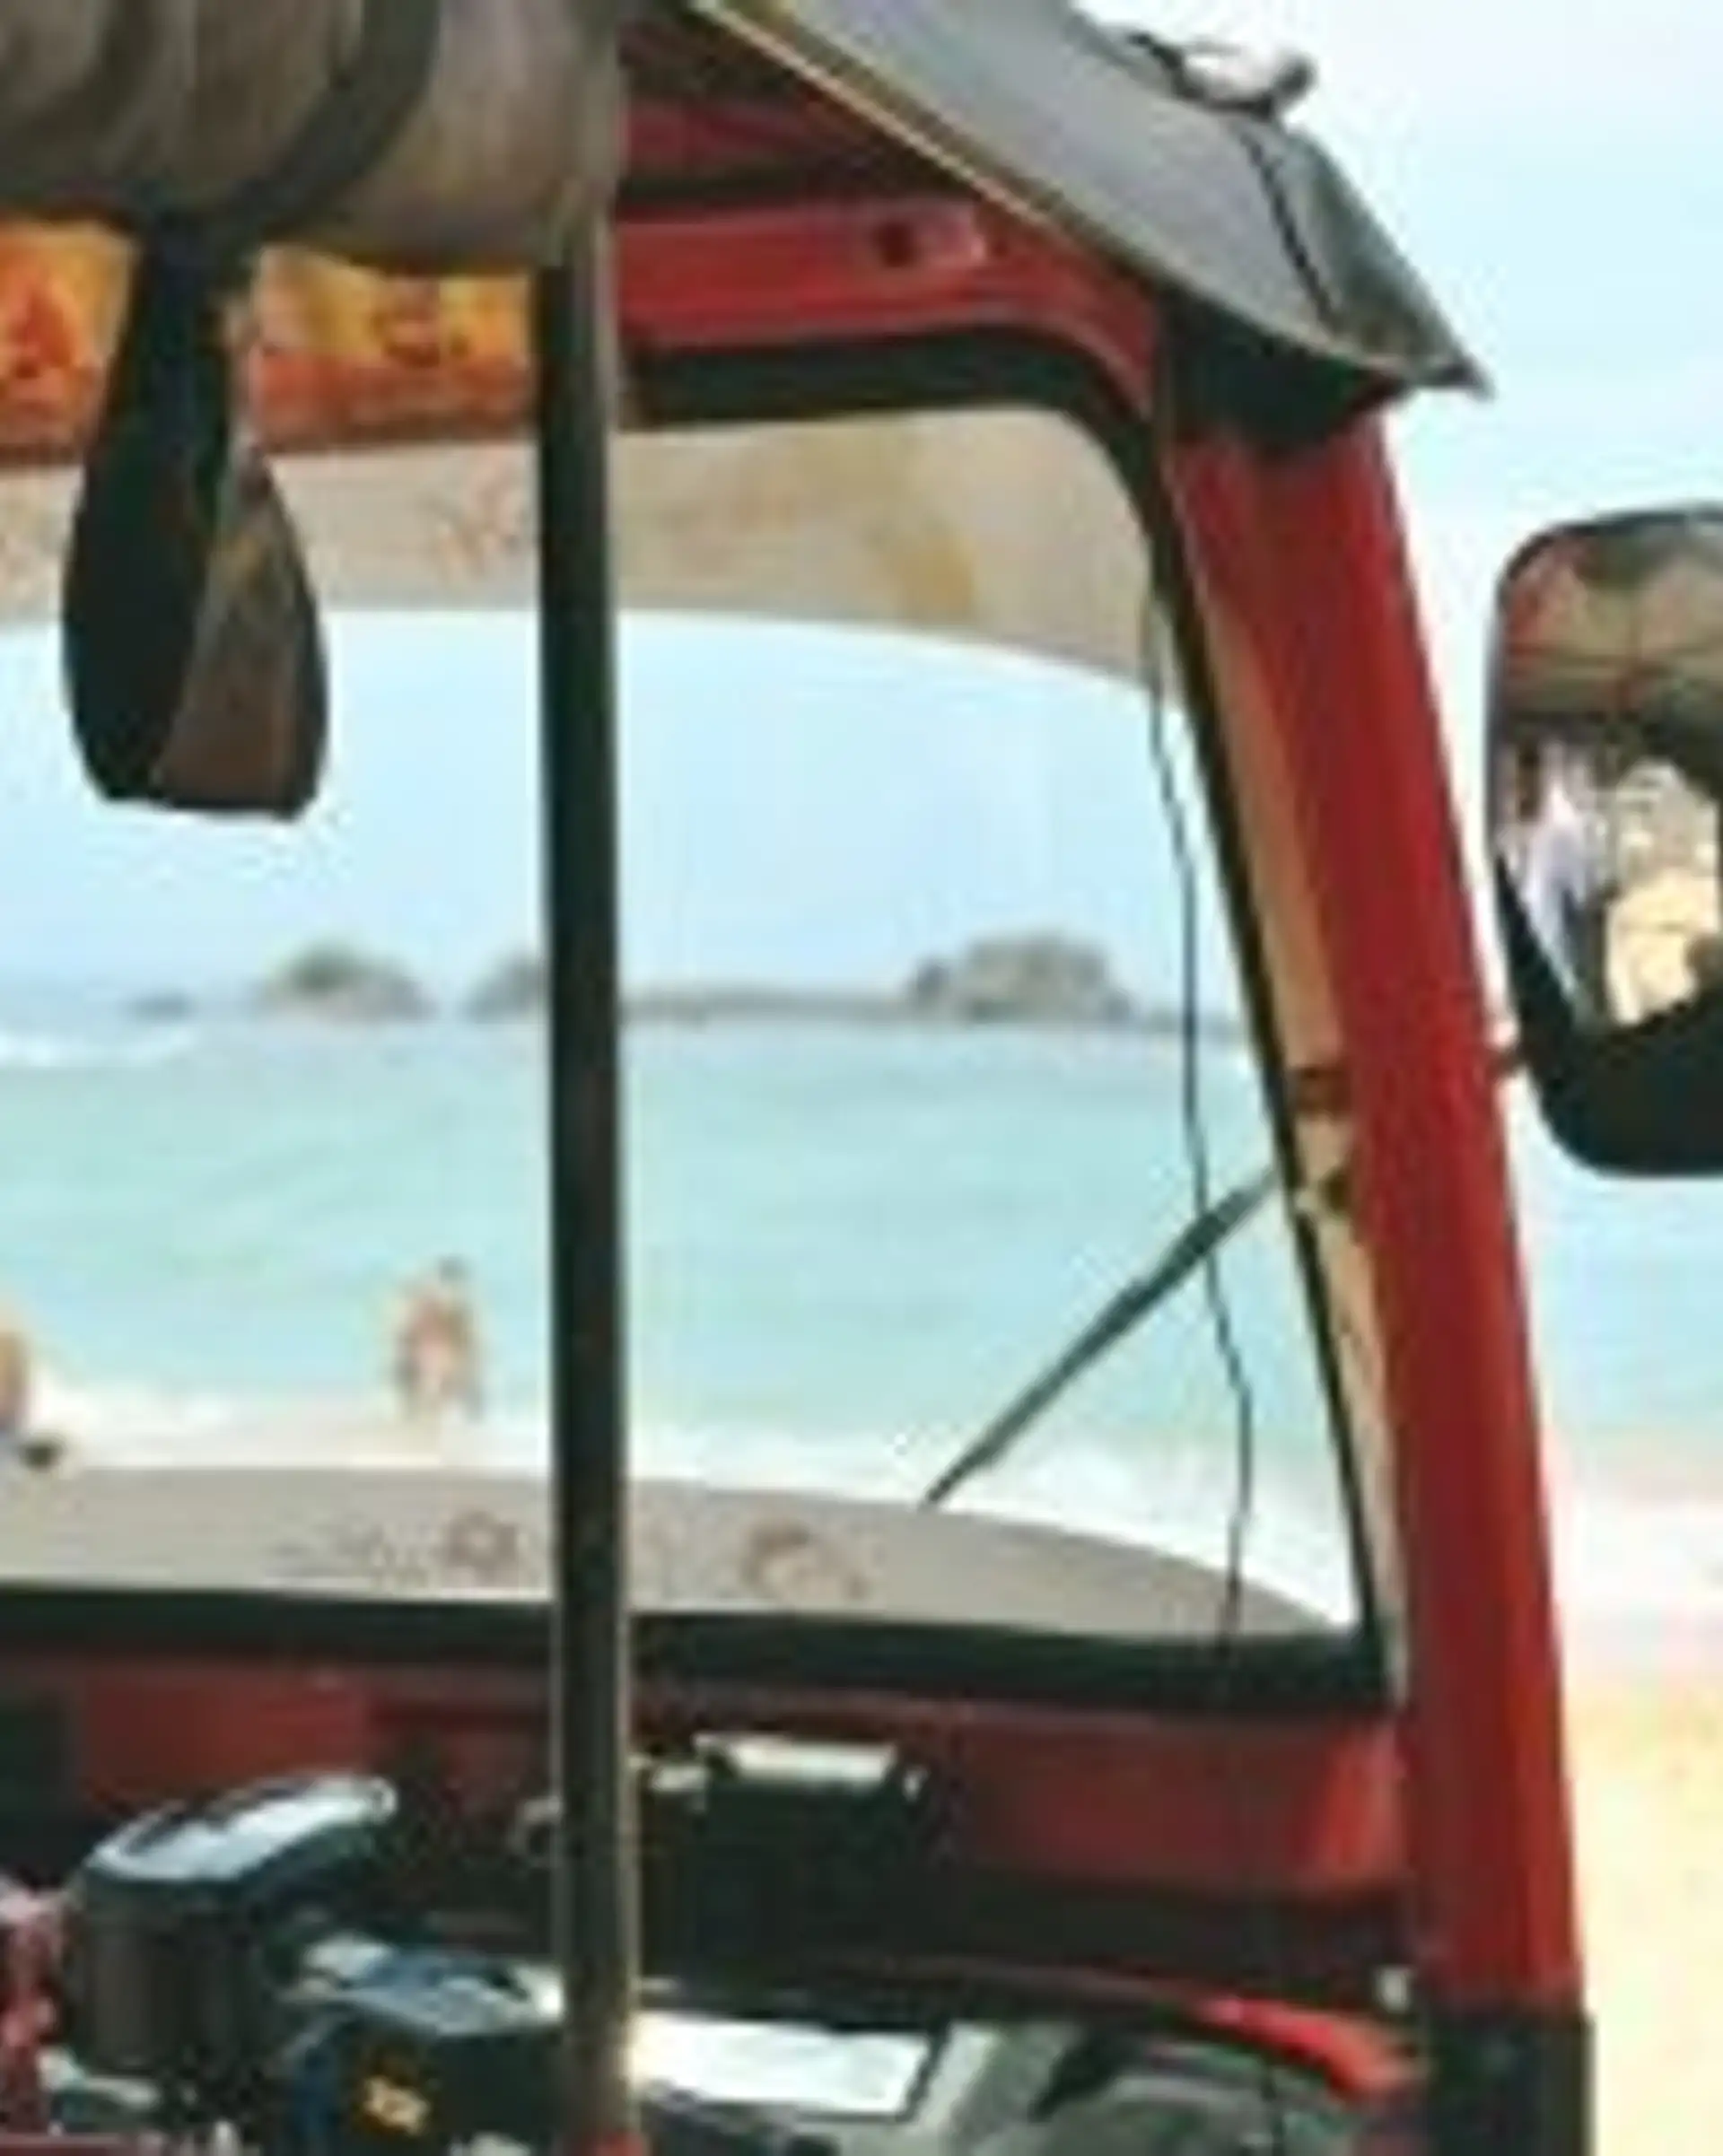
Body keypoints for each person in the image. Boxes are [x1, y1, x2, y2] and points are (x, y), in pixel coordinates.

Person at [1500, 741, 1616, 1028]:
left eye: (1526, 777)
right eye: (1512, 781)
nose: (1519, 789)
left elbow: (1586, 907)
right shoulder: (1497, 830)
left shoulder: (1562, 830)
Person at [389, 1259, 485, 1424]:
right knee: (423, 1395)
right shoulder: (435, 1304)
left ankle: (425, 1420)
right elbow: (404, 1335)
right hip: (432, 1353)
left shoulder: (454, 1308)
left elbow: (470, 1342)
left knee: (438, 1394)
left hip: (438, 1354)